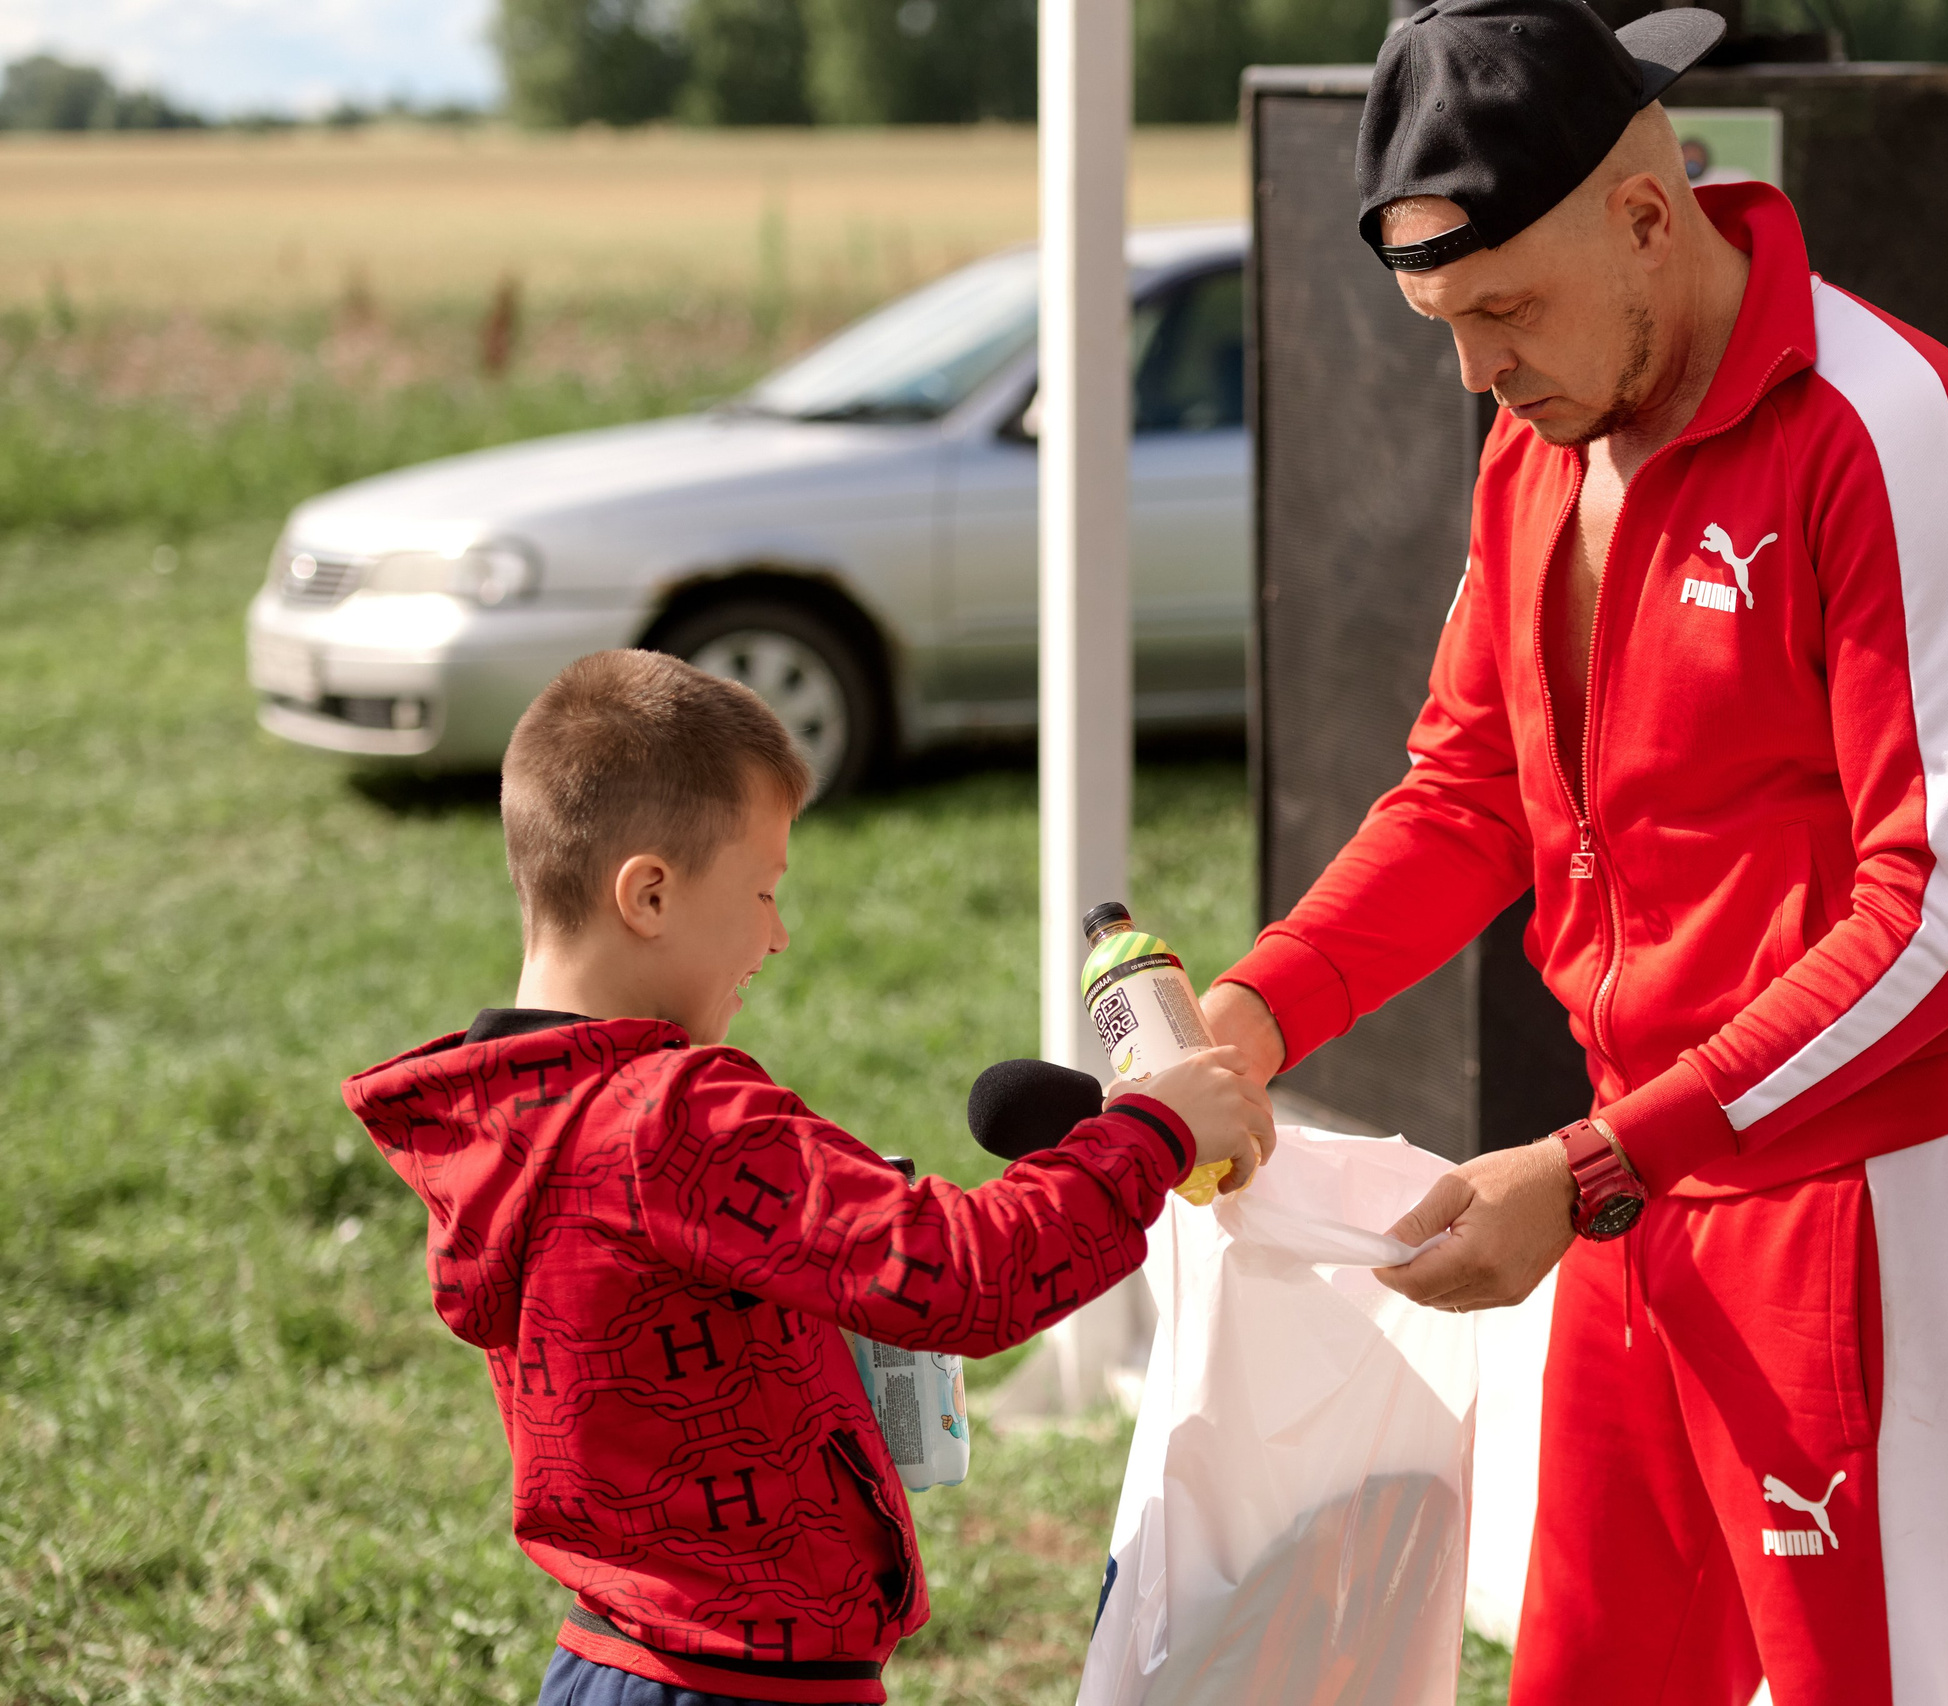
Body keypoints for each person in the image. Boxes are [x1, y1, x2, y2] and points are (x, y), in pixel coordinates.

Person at [1199, 2, 1948, 1702]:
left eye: (1504, 310)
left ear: (1650, 215)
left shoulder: (1887, 429)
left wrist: (1588, 1163)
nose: (1477, 372)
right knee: (1589, 1677)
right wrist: (1258, 1006)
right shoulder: (1541, 436)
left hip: (1852, 1203)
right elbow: (1467, 793)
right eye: (1443, 322)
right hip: (1638, 1187)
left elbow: (1938, 912)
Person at [343, 650, 1274, 1706]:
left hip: (610, 1657)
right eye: (762, 890)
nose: (778, 933)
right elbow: (961, 1274)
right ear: (648, 892)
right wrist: (1150, 1133)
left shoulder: (506, 1115)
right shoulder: (670, 1116)